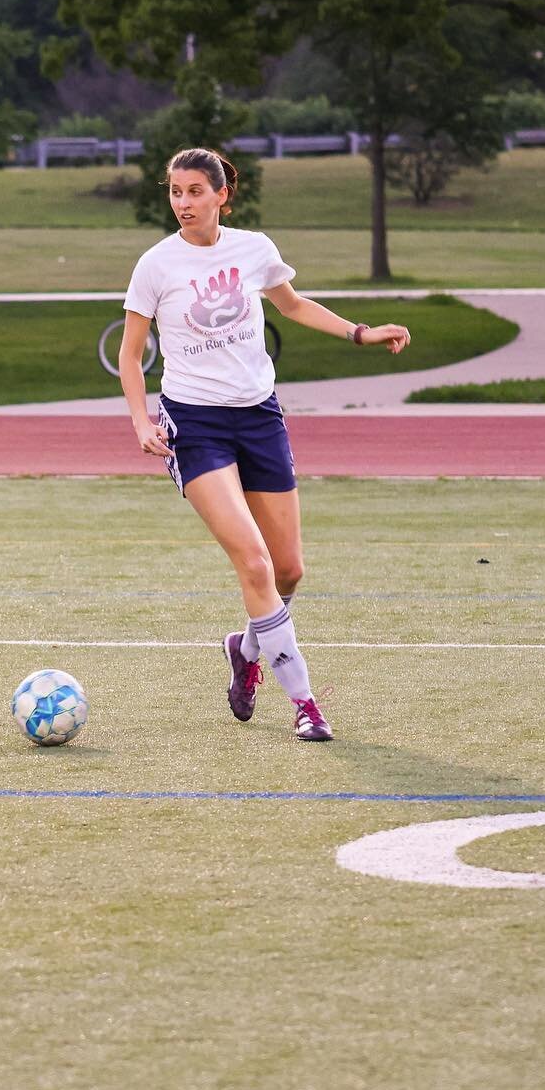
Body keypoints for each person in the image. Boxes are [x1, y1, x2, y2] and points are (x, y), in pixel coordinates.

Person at [118, 147, 411, 743]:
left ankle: (246, 648)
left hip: (259, 417)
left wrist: (360, 332)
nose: (183, 203)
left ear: (223, 195)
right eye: (175, 192)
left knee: (288, 571)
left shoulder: (254, 249)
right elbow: (130, 353)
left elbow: (294, 305)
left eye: (195, 191)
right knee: (252, 562)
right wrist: (141, 421)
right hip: (194, 425)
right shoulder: (155, 265)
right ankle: (306, 704)